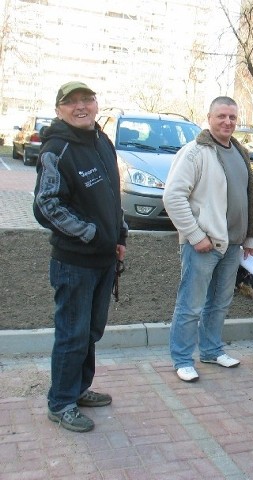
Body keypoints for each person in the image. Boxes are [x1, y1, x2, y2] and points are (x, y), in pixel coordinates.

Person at [33, 81, 128, 432]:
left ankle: (78, 388)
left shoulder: (102, 140)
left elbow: (111, 196)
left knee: (90, 332)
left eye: (86, 99)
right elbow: (46, 205)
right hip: (74, 263)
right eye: (71, 102)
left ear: (96, 103)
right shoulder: (57, 149)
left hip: (103, 259)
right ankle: (60, 403)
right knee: (72, 334)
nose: (81, 106)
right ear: (60, 110)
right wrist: (89, 233)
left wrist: (118, 235)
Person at [163, 96, 253, 382]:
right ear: (209, 118)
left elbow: (249, 199)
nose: (227, 122)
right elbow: (172, 196)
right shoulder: (195, 152)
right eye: (221, 116)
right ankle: (182, 358)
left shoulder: (240, 152)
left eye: (232, 117)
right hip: (204, 245)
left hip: (232, 245)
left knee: (219, 303)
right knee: (190, 305)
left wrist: (249, 240)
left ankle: (210, 350)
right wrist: (196, 235)